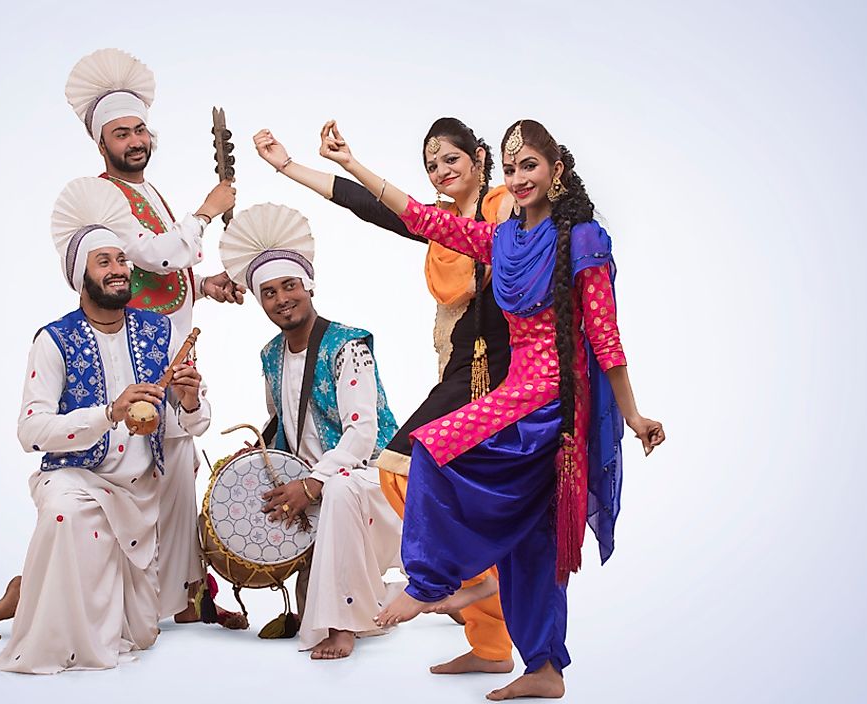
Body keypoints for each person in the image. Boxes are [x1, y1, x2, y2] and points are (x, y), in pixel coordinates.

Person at [316, 120, 665, 700]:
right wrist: (353, 163)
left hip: (553, 404)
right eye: (510, 169)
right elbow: (421, 218)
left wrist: (632, 414)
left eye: (529, 164)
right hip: (515, 394)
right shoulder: (505, 238)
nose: (519, 177)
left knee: (430, 446)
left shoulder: (582, 239)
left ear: (557, 170)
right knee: (534, 540)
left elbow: (605, 337)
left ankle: (432, 579)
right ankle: (545, 669)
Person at [0, 49, 239, 638]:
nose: (135, 140)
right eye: (121, 133)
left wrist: (206, 283)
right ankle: (43, 582)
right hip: (121, 350)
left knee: (177, 464)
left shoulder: (148, 192)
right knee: (125, 467)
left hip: (169, 347)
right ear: (102, 144)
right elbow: (150, 256)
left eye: (140, 128)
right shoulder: (109, 198)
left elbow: (164, 267)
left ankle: (185, 594)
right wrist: (207, 209)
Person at [253, 119, 516, 675]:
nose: (442, 171)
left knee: (400, 464)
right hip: (460, 368)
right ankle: (492, 644)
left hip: (495, 372)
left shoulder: (502, 209)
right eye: (431, 164)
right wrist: (293, 167)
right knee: (454, 492)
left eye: (451, 159)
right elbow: (372, 206)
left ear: (478, 157)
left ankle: (458, 578)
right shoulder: (444, 226)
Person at [0, 222, 209, 674]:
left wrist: (190, 402)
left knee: (142, 633)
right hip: (74, 479)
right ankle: (40, 612)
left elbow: (193, 423)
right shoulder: (53, 340)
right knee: (63, 515)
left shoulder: (160, 331)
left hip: (140, 491)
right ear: (81, 277)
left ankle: (29, 587)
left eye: (122, 259)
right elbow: (30, 431)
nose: (118, 269)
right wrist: (107, 414)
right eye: (105, 262)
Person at [219, 203, 403, 660]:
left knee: (338, 492)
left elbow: (361, 435)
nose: (282, 298)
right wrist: (262, 453)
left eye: (289, 286)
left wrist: (313, 482)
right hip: (315, 480)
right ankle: (416, 594)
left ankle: (344, 625)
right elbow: (283, 423)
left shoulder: (348, 345)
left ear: (309, 286)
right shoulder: (270, 355)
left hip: (373, 474)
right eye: (268, 292)